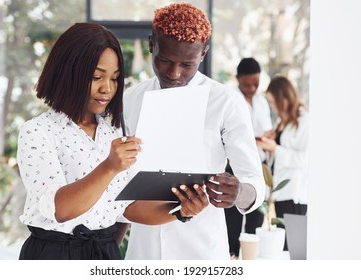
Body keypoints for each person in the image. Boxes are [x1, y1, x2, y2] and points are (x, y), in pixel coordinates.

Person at [16, 22, 209, 260]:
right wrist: (110, 166)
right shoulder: (38, 131)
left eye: (115, 78)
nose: (107, 89)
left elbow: (128, 207)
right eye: (97, 77)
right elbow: (60, 210)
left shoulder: (113, 132)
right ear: (68, 73)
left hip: (105, 253)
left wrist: (182, 211)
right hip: (54, 255)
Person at [123, 3, 265, 260]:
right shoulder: (130, 100)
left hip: (201, 250)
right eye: (165, 60)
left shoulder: (226, 102)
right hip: (144, 252)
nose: (174, 73)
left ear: (203, 54)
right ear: (151, 43)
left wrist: (239, 192)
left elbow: (255, 179)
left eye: (187, 64)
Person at [224, 57, 273, 259]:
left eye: (256, 84)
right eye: (247, 84)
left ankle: (251, 262)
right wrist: (254, 139)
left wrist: (268, 137)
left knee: (256, 219)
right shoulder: (230, 99)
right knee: (232, 221)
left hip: (259, 166)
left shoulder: (262, 102)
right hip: (233, 168)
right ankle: (231, 258)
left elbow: (267, 130)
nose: (252, 88)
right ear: (238, 79)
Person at [256, 75, 308, 249]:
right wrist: (269, 141)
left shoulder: (305, 121)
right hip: (281, 191)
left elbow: (304, 159)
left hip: (295, 193)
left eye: (273, 102)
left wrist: (275, 148)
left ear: (283, 98)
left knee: (295, 248)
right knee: (284, 247)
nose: (272, 107)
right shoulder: (282, 121)